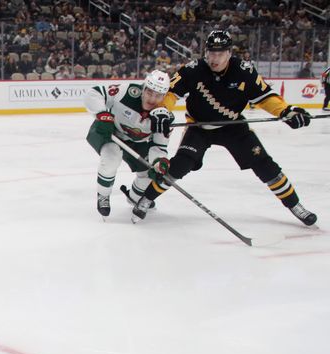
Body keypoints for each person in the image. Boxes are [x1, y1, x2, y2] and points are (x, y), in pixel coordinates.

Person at [133, 30, 316, 226]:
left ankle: (295, 205)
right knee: (179, 165)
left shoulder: (244, 71)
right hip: (198, 126)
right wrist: (162, 110)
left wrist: (286, 112)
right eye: (211, 53)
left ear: (229, 53)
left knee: (265, 165)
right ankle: (146, 198)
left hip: (233, 127)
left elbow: (265, 96)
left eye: (220, 54)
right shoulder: (194, 69)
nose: (215, 58)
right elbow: (171, 93)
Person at [84, 70, 172, 218]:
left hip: (139, 143)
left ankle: (134, 197)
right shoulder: (126, 91)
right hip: (111, 133)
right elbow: (94, 93)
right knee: (111, 157)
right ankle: (103, 195)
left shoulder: (164, 117)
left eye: (158, 95)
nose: (152, 99)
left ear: (164, 97)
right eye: (149, 92)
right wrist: (102, 114)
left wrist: (159, 162)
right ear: (143, 89)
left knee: (150, 174)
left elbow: (159, 147)